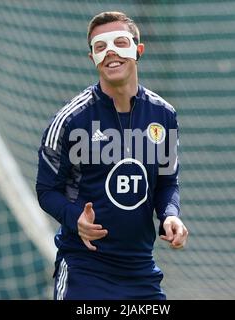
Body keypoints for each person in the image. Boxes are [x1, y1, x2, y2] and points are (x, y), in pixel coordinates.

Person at [36, 11, 188, 300]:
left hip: (141, 272)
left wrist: (170, 216)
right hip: (85, 270)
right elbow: (46, 190)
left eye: (120, 42)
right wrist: (75, 217)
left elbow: (168, 182)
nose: (111, 53)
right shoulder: (70, 120)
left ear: (138, 51)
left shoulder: (163, 115)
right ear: (92, 57)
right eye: (101, 47)